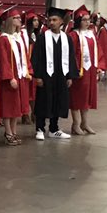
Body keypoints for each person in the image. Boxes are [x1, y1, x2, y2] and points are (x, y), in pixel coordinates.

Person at [31, 7, 78, 141]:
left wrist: (69, 76)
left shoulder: (66, 38)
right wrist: (38, 76)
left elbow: (71, 58)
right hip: (46, 76)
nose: (51, 22)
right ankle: (40, 129)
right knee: (43, 101)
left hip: (61, 75)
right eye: (50, 20)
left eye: (54, 20)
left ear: (61, 21)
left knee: (58, 100)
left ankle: (54, 129)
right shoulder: (42, 38)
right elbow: (36, 58)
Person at [0, 8, 29, 146]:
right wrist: (10, 77)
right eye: (16, 18)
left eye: (19, 18)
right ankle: (8, 132)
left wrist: (27, 72)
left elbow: (25, 57)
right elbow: (3, 60)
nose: (19, 20)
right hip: (10, 77)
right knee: (9, 106)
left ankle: (14, 131)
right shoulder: (2, 39)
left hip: (20, 75)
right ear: (10, 20)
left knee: (17, 106)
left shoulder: (18, 38)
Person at [68, 6, 99, 136]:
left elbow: (97, 51)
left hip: (90, 70)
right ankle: (75, 124)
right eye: (84, 20)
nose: (87, 22)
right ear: (78, 21)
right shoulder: (73, 35)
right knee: (77, 97)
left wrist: (98, 68)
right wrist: (73, 70)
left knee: (86, 97)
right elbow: (71, 55)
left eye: (88, 19)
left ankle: (84, 123)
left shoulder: (91, 34)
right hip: (78, 71)